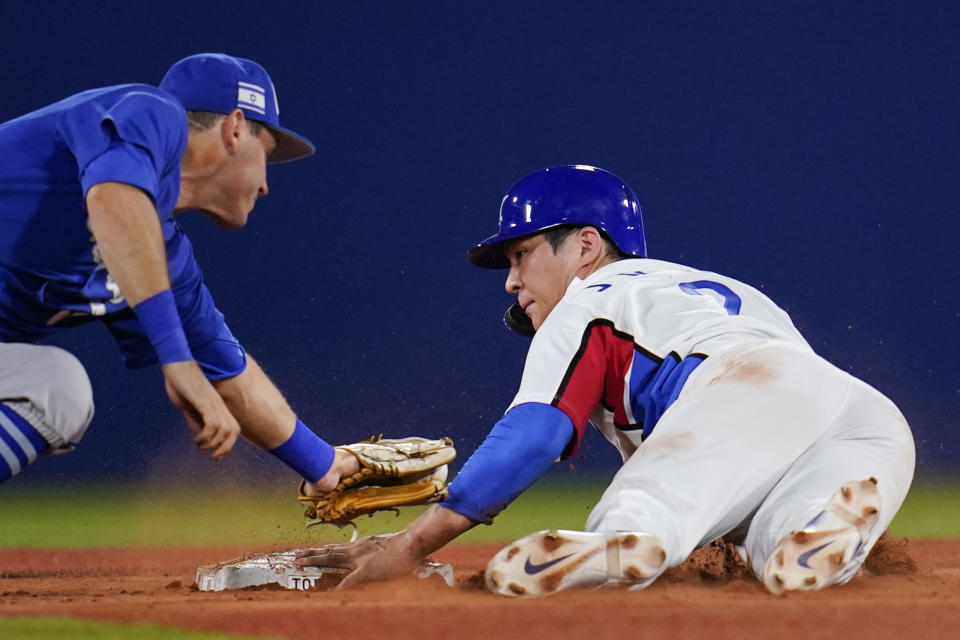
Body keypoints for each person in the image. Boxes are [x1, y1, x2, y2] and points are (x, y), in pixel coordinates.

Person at [295, 164, 916, 595]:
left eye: (521, 255)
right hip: (863, 415)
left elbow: (534, 434)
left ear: (586, 246)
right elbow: (783, 413)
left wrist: (408, 547)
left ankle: (619, 541)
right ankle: (817, 536)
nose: (511, 281)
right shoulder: (718, 290)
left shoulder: (586, 301)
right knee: (779, 554)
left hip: (734, 389)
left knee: (644, 514)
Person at [0, 53, 359, 491]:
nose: (266, 185)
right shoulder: (150, 111)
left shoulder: (158, 258)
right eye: (266, 154)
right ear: (235, 128)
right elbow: (115, 204)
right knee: (57, 382)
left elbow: (231, 380)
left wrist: (328, 468)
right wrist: (176, 359)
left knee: (54, 387)